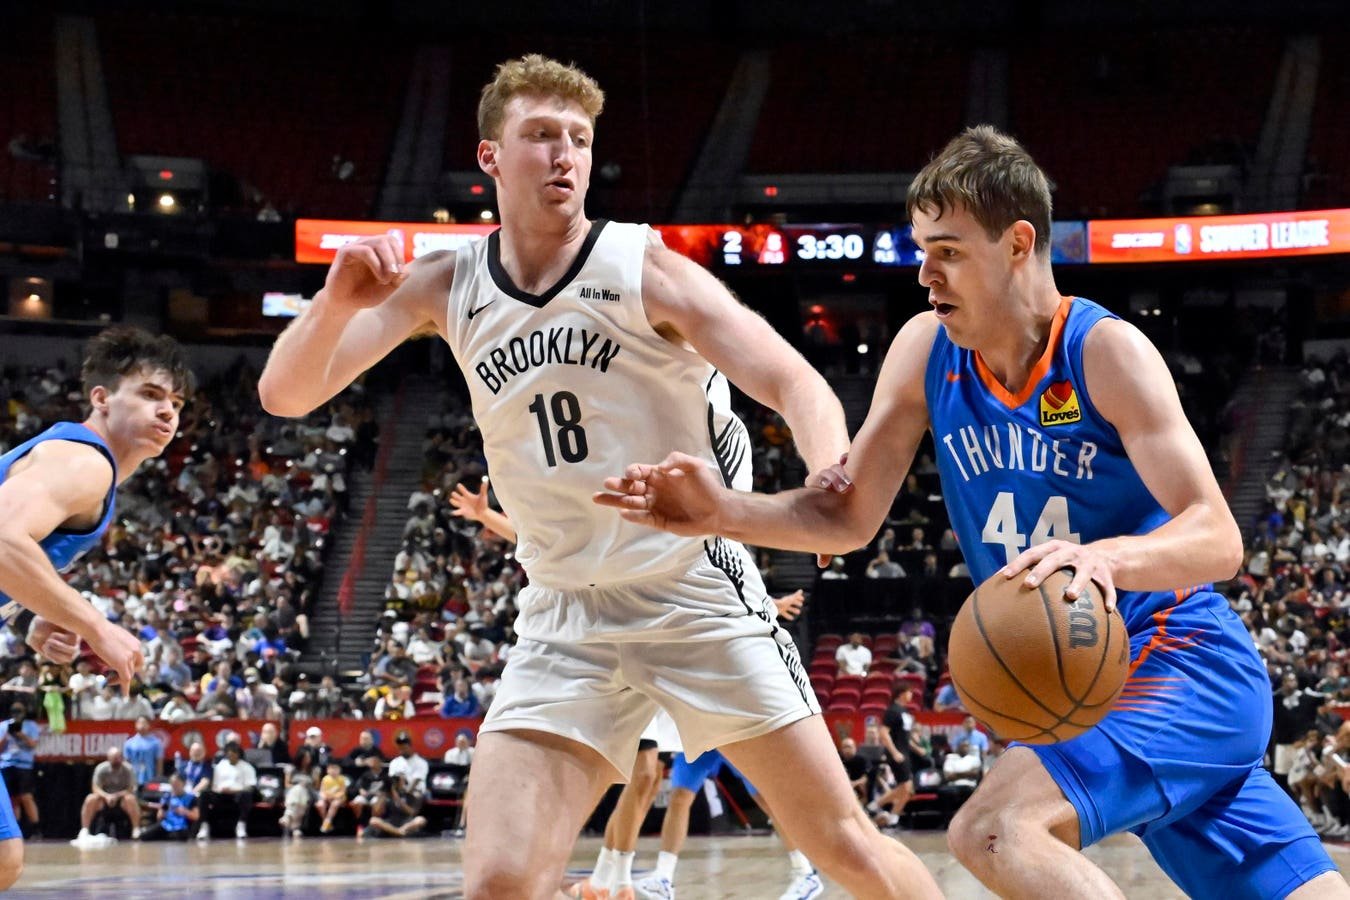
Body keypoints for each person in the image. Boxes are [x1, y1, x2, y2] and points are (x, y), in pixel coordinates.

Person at [595, 126, 1347, 897]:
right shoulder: (927, 351)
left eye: (948, 251)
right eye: (923, 250)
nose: (925, 273)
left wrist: (1101, 559)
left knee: (994, 828)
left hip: (1177, 662)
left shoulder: (1103, 352)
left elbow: (1218, 536)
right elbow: (846, 520)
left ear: (1018, 243)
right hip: (1091, 687)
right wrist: (721, 510)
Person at [258, 52, 938, 900]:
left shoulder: (641, 266)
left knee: (845, 849)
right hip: (564, 613)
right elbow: (286, 394)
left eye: (579, 139)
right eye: (542, 135)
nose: (565, 156)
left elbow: (794, 381)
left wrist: (828, 475)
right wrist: (334, 304)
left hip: (693, 593)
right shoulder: (445, 283)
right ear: (490, 156)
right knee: (500, 882)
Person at [0, 327, 190, 886]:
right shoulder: (86, 463)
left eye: (176, 402)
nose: (167, 411)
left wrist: (32, 613)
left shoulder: (82, 466)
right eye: (150, 394)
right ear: (102, 398)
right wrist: (95, 625)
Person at [633, 749, 820, 900]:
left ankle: (805, 873)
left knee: (768, 800)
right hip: (700, 735)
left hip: (733, 733)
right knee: (679, 798)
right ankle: (663, 876)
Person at [75, 745, 140, 842]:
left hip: (122, 799)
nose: (116, 761)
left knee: (130, 799)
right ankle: (84, 829)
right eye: (114, 758)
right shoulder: (101, 768)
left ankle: (136, 829)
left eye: (118, 758)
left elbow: (131, 788)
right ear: (108, 758)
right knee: (90, 798)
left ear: (122, 758)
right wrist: (107, 796)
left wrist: (116, 796)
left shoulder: (128, 769)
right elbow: (95, 788)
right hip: (104, 799)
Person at [199, 741, 255, 841]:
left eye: (234, 754)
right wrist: (220, 790)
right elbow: (214, 786)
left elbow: (250, 787)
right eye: (229, 754)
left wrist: (234, 790)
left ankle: (241, 825)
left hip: (237, 794)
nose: (231, 757)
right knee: (204, 794)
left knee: (247, 795)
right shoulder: (220, 766)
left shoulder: (247, 767)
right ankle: (204, 826)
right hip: (221, 794)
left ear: (238, 754)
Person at [0, 704, 40, 838]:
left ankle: (35, 829)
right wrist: (7, 735)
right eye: (14, 712)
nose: (16, 714)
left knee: (26, 797)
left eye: (19, 711)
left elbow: (33, 744)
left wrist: (20, 734)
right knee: (12, 799)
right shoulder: (4, 725)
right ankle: (15, 829)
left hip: (24, 766)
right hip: (7, 764)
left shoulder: (31, 726)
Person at [139, 772, 198, 841]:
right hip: (166, 825)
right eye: (173, 784)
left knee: (178, 836)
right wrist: (163, 811)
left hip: (181, 827)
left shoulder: (191, 798)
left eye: (177, 784)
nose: (174, 787)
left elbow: (196, 816)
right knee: (144, 836)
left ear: (184, 784)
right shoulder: (167, 797)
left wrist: (184, 812)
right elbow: (159, 817)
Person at [122, 714, 163, 786]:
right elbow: (126, 763)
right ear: (135, 725)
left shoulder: (156, 743)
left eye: (144, 723)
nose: (142, 725)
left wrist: (158, 779)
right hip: (133, 780)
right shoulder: (129, 743)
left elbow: (159, 762)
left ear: (149, 725)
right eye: (139, 723)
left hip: (150, 779)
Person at [316, 760, 349, 834]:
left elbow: (343, 792)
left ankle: (327, 822)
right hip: (327, 797)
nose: (333, 771)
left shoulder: (342, 779)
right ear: (327, 770)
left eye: (336, 768)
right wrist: (325, 797)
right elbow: (322, 791)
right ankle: (327, 822)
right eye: (331, 768)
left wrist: (334, 796)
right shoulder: (325, 779)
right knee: (320, 805)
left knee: (335, 804)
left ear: (339, 770)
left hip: (339, 798)